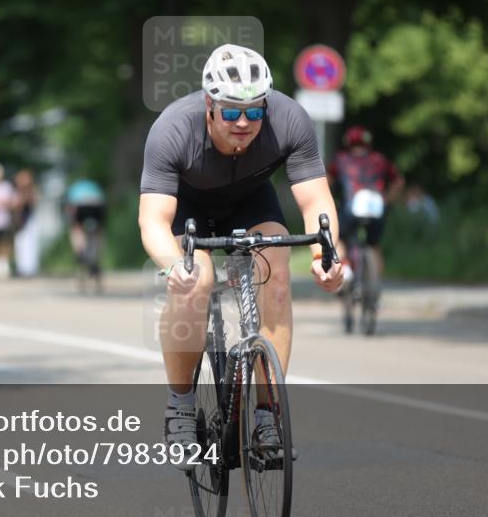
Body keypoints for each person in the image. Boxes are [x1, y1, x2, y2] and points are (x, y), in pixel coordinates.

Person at [138, 44, 343, 466]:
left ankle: (267, 417)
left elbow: (316, 201)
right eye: (231, 112)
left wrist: (327, 253)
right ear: (209, 105)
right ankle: (179, 405)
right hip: (189, 208)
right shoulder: (172, 129)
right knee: (196, 281)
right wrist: (174, 265)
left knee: (279, 272)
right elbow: (154, 220)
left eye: (254, 110)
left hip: (251, 201)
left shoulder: (290, 120)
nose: (244, 122)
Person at [327, 125, 404, 283]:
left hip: (352, 205)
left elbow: (328, 179)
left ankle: (345, 266)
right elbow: (398, 181)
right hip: (377, 206)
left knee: (338, 236)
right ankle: (375, 289)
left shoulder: (341, 159)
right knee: (373, 244)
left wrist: (330, 197)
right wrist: (387, 200)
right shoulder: (379, 159)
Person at [65, 177, 106, 269]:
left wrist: (71, 221)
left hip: (80, 205)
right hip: (97, 205)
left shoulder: (75, 188)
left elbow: (70, 207)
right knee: (99, 231)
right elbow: (104, 201)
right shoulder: (94, 186)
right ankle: (97, 257)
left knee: (76, 228)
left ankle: (80, 251)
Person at [12, 169, 40, 277]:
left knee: (30, 244)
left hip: (29, 219)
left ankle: (31, 268)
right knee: (19, 244)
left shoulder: (32, 191)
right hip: (19, 220)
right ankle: (21, 268)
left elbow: (34, 202)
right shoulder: (15, 191)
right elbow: (15, 205)